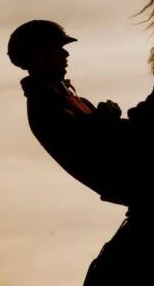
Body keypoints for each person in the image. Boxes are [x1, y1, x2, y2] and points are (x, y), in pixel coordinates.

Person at [7, 19, 132, 206]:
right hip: (133, 180)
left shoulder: (65, 96)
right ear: (38, 57)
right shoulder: (43, 102)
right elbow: (86, 141)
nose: (66, 53)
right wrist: (105, 118)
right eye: (57, 49)